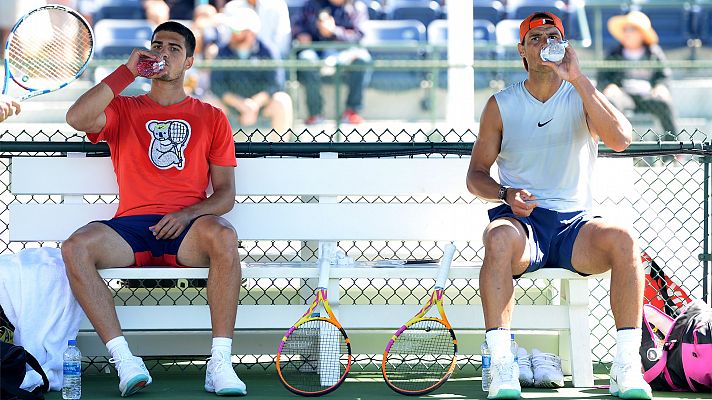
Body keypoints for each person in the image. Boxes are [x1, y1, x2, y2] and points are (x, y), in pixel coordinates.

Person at [466, 12, 652, 400]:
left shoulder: (581, 93)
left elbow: (621, 140)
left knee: (624, 240)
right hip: (523, 224)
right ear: (522, 50)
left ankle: (626, 367)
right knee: (497, 237)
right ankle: (502, 366)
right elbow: (476, 175)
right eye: (535, 38)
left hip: (575, 226)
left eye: (553, 36)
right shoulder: (501, 104)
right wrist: (505, 195)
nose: (545, 42)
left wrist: (579, 79)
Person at [64, 21, 246, 397]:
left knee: (225, 235)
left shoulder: (211, 117)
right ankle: (124, 360)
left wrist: (187, 213)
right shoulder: (123, 108)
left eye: (174, 48)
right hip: (131, 227)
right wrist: (126, 71)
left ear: (190, 62)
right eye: (156, 45)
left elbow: (225, 194)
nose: (163, 52)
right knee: (75, 246)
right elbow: (77, 119)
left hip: (186, 231)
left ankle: (220, 363)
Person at [211, 7, 293, 137]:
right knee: (210, 104)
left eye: (236, 30)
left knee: (282, 101)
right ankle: (211, 154)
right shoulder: (223, 51)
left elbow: (276, 83)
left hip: (261, 105)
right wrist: (241, 105)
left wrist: (253, 105)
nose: (232, 33)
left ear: (250, 33)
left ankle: (279, 153)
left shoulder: (268, 50)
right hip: (232, 104)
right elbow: (216, 85)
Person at [597, 10, 677, 142]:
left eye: (632, 29)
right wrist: (609, 86)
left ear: (642, 34)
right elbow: (603, 77)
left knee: (664, 103)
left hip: (648, 96)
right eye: (626, 29)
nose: (628, 33)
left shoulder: (654, 53)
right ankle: (615, 143)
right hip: (624, 95)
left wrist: (661, 87)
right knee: (611, 102)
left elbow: (664, 76)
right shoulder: (613, 53)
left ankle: (672, 147)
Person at [293, 0, 371, 124]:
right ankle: (315, 113)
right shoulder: (312, 4)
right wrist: (302, 34)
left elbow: (359, 35)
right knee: (306, 58)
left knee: (362, 58)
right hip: (318, 52)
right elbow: (297, 25)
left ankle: (352, 111)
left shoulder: (356, 7)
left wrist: (334, 31)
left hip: (346, 52)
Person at [224, 0, 292, 59]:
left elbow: (282, 40)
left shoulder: (279, 5)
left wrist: (270, 56)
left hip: (271, 61)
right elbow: (227, 39)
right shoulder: (231, 7)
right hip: (237, 61)